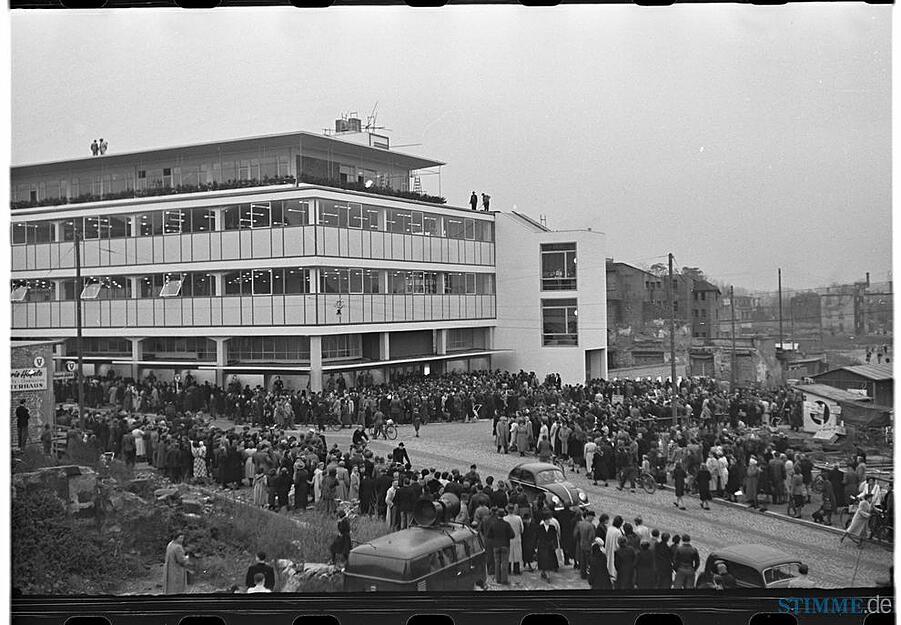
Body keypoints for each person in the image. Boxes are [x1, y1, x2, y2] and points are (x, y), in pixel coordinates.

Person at [536, 510, 559, 582]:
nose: (548, 521)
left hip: (549, 547)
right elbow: (537, 537)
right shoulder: (540, 528)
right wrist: (535, 547)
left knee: (548, 561)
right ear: (544, 520)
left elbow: (555, 537)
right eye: (547, 519)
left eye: (549, 519)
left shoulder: (552, 527)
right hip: (542, 546)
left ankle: (547, 575)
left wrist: (555, 545)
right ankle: (544, 572)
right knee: (543, 560)